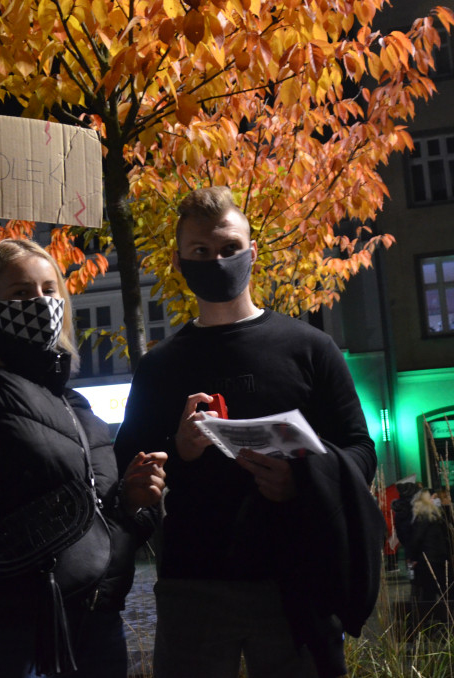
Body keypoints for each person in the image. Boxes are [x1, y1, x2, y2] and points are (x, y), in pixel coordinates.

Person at [113, 187, 382, 678]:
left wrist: (303, 478)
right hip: (193, 583)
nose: (216, 261)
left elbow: (361, 450)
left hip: (294, 579)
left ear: (251, 254)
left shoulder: (311, 349)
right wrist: (179, 450)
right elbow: (129, 466)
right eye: (201, 251)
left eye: (229, 249)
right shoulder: (158, 367)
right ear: (179, 260)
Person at [0, 197, 167, 678]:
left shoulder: (77, 407)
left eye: (49, 290)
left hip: (96, 625)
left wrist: (132, 498)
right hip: (5, 628)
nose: (40, 303)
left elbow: (102, 518)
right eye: (20, 294)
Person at [409, 488, 454, 622]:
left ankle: (429, 622)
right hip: (439, 558)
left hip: (428, 560)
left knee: (429, 594)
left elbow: (416, 539)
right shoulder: (435, 516)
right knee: (445, 592)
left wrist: (412, 556)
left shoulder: (423, 517)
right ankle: (448, 619)